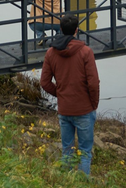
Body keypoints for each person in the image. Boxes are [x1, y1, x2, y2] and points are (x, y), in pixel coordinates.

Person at [39, 13, 101, 176]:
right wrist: (93, 104)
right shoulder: (86, 52)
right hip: (84, 109)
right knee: (85, 152)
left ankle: (66, 182)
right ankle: (82, 183)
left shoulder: (51, 53)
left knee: (67, 150)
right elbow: (93, 83)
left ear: (60, 29)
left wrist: (60, 94)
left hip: (65, 110)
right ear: (76, 30)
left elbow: (44, 82)